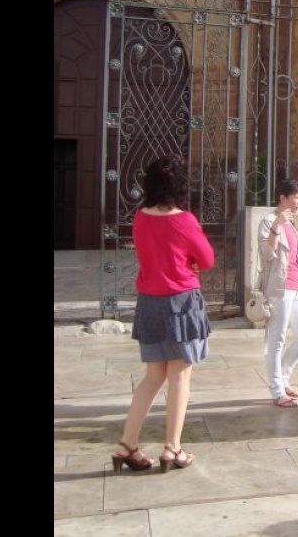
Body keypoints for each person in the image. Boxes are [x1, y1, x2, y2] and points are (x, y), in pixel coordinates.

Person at [111, 156, 214, 474]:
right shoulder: (184, 220)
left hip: (149, 302)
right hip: (180, 301)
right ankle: (173, 448)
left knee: (153, 377)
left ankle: (126, 444)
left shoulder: (139, 217)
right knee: (180, 375)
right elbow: (207, 259)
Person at [258, 180, 298, 408]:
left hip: (296, 287)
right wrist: (276, 226)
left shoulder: (291, 224)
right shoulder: (268, 221)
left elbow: (295, 257)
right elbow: (266, 254)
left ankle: (283, 377)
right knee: (277, 340)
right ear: (283, 198)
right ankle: (276, 390)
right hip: (279, 288)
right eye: (296, 197)